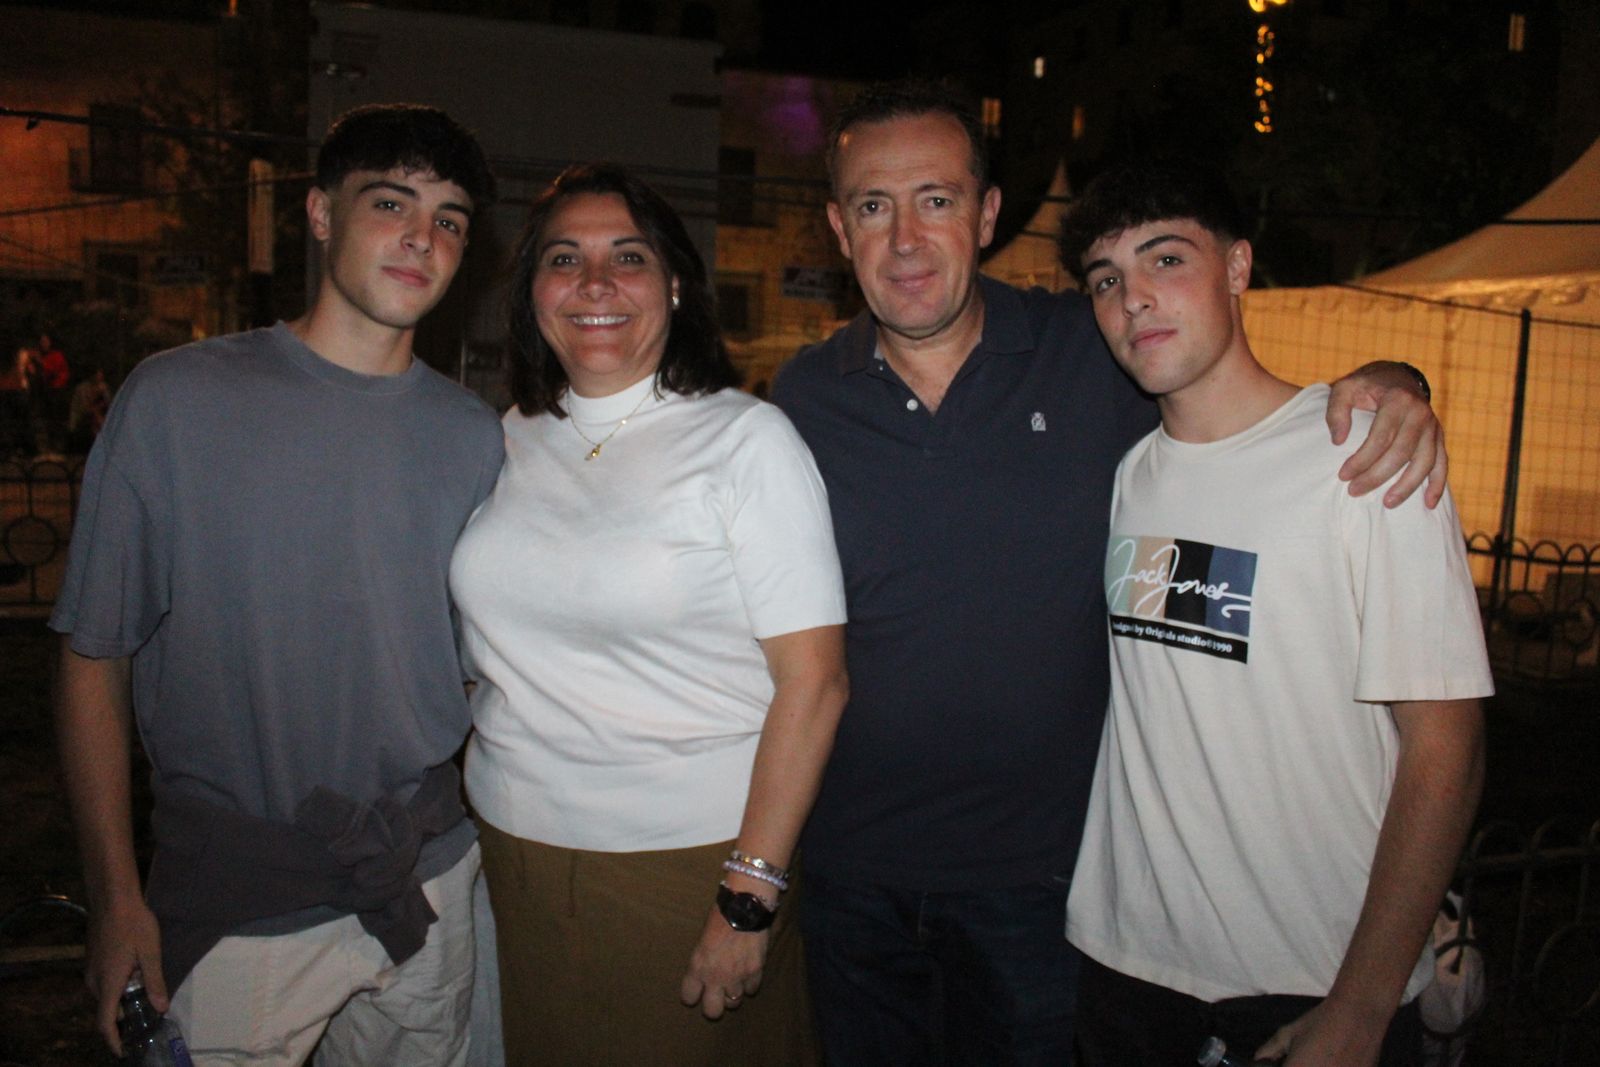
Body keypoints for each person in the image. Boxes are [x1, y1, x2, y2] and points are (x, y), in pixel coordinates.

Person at [769, 79, 1449, 1064]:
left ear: (988, 212)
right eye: (874, 206)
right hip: (851, 885)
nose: (906, 238)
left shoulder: (1087, 350)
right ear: (839, 227)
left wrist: (1395, 386)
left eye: (937, 198)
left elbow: (1225, 385)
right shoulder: (803, 395)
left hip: (1046, 893)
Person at [52, 103, 503, 1066]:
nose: (425, 236)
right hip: (239, 901)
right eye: (393, 202)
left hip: (426, 880)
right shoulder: (176, 400)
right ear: (319, 214)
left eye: (452, 219)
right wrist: (116, 899)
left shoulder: (473, 435)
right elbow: (94, 657)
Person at [1059, 159, 1491, 1067]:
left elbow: (1445, 745)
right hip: (1124, 969)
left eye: (1164, 259)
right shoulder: (1130, 476)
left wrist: (1363, 1005)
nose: (1134, 299)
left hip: (1312, 980)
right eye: (1106, 280)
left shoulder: (1364, 456)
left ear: (1239, 267)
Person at [449, 163, 848, 1065]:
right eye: (565, 258)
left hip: (686, 866)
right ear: (533, 292)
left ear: (673, 282)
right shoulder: (506, 437)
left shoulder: (746, 440)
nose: (594, 284)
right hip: (514, 856)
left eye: (627, 256)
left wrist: (746, 899)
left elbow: (815, 683)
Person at [67, 366, 111, 453]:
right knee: (95, 419)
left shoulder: (104, 387)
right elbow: (83, 408)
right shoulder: (82, 389)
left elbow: (108, 404)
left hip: (99, 416)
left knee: (100, 420)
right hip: (85, 417)